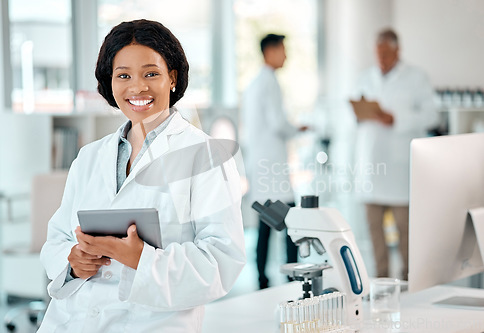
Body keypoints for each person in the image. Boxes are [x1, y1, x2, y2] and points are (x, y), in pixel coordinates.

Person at [38, 19, 245, 332]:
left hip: (151, 323)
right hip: (70, 321)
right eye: (123, 76)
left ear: (172, 78)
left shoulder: (206, 156)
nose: (137, 87)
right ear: (110, 82)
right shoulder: (90, 156)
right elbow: (57, 238)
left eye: (151, 73)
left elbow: (221, 261)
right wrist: (73, 263)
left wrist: (141, 259)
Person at [352, 28, 438, 281]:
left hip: (400, 171)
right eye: (377, 54)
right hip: (371, 166)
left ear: (397, 50)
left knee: (405, 233)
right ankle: (380, 282)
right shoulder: (364, 78)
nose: (381, 58)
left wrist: (397, 119)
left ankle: (410, 281)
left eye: (386, 53)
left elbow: (431, 116)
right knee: (375, 236)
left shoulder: (417, 78)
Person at [241, 33, 307, 289]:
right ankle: (292, 275)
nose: (286, 55)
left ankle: (262, 277)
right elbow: (279, 123)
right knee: (290, 220)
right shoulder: (269, 82)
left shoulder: (256, 83)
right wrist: (298, 129)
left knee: (266, 223)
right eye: (283, 49)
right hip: (271, 166)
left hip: (261, 162)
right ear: (271, 51)